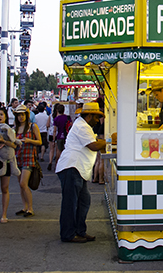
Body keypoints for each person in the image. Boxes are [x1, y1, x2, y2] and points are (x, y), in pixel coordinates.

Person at [56, 102, 106, 243]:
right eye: (96, 117)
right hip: (72, 167)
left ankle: (79, 230)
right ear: (89, 115)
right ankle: (68, 234)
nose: (97, 121)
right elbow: (94, 145)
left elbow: (96, 141)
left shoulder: (83, 126)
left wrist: (102, 141)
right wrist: (107, 141)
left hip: (77, 169)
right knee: (70, 204)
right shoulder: (82, 126)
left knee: (83, 201)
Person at [13, 105, 41, 217]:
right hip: (18, 157)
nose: (21, 117)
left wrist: (29, 140)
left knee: (23, 183)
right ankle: (25, 207)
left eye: (22, 114)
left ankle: (30, 208)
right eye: (18, 115)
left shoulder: (32, 126)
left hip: (29, 158)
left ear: (26, 115)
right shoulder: (15, 128)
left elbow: (39, 142)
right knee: (21, 185)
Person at [48, 103, 72, 172]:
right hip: (67, 136)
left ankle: (57, 165)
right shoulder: (68, 117)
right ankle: (66, 165)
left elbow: (55, 130)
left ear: (57, 110)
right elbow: (71, 126)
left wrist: (53, 140)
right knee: (66, 151)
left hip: (59, 136)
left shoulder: (56, 119)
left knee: (58, 150)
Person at [92, 97, 105, 184]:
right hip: (101, 136)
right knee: (101, 159)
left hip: (95, 135)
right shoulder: (101, 114)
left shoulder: (95, 114)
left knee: (97, 159)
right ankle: (101, 179)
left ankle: (95, 178)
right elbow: (102, 125)